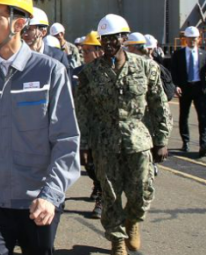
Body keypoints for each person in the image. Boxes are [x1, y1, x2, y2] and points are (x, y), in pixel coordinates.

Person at [0, 0, 80, 255]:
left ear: (18, 23)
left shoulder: (50, 73)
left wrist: (50, 196)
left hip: (37, 205)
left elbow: (66, 139)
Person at [76, 14, 172, 255]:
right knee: (110, 195)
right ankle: (117, 240)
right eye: (104, 38)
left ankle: (134, 221)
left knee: (141, 190)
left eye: (114, 37)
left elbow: (159, 104)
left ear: (124, 38)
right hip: (104, 141)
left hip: (138, 139)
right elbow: (83, 111)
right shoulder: (90, 73)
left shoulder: (146, 67)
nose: (108, 43)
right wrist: (84, 145)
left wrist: (161, 140)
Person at [72, 31, 104, 219]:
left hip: (104, 131)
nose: (83, 55)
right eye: (82, 51)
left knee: (103, 167)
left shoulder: (109, 74)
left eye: (87, 51)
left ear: (98, 52)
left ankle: (101, 198)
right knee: (90, 166)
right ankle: (98, 186)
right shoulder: (78, 74)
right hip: (84, 129)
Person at [170, 26, 206, 156]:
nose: (192, 41)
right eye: (190, 39)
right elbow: (173, 72)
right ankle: (185, 142)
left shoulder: (203, 54)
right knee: (184, 116)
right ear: (185, 39)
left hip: (199, 89)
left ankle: (203, 143)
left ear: (198, 39)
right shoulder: (178, 54)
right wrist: (175, 85)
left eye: (194, 39)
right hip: (185, 89)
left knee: (203, 117)